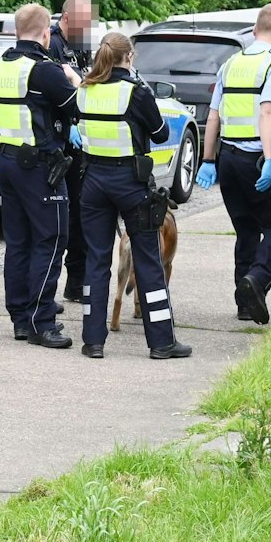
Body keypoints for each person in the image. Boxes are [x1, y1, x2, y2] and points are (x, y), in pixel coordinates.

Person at [75, 31, 190, 360]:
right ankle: (161, 342)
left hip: (93, 181)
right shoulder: (136, 93)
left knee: (96, 261)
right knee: (150, 261)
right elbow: (161, 132)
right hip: (130, 182)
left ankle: (92, 340)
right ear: (129, 58)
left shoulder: (84, 91)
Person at [0, 3, 82, 348]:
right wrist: (72, 79)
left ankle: (21, 319)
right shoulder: (46, 71)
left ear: (14, 31)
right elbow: (77, 108)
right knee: (51, 239)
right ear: (44, 33)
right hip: (40, 166)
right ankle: (43, 321)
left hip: (7, 160)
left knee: (19, 241)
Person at [195, 4, 271, 324]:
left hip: (227, 160)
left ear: (254, 30)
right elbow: (268, 114)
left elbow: (213, 116)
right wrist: (270, 160)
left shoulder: (230, 64)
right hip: (256, 159)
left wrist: (207, 160)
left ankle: (243, 301)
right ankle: (257, 282)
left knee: (246, 230)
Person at [49, 0, 96, 303]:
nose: (88, 26)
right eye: (84, 20)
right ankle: (52, 288)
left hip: (81, 145)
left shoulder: (82, 45)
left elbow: (90, 80)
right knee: (59, 219)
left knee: (82, 216)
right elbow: (57, 89)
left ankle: (76, 282)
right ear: (67, 18)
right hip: (59, 143)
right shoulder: (52, 45)